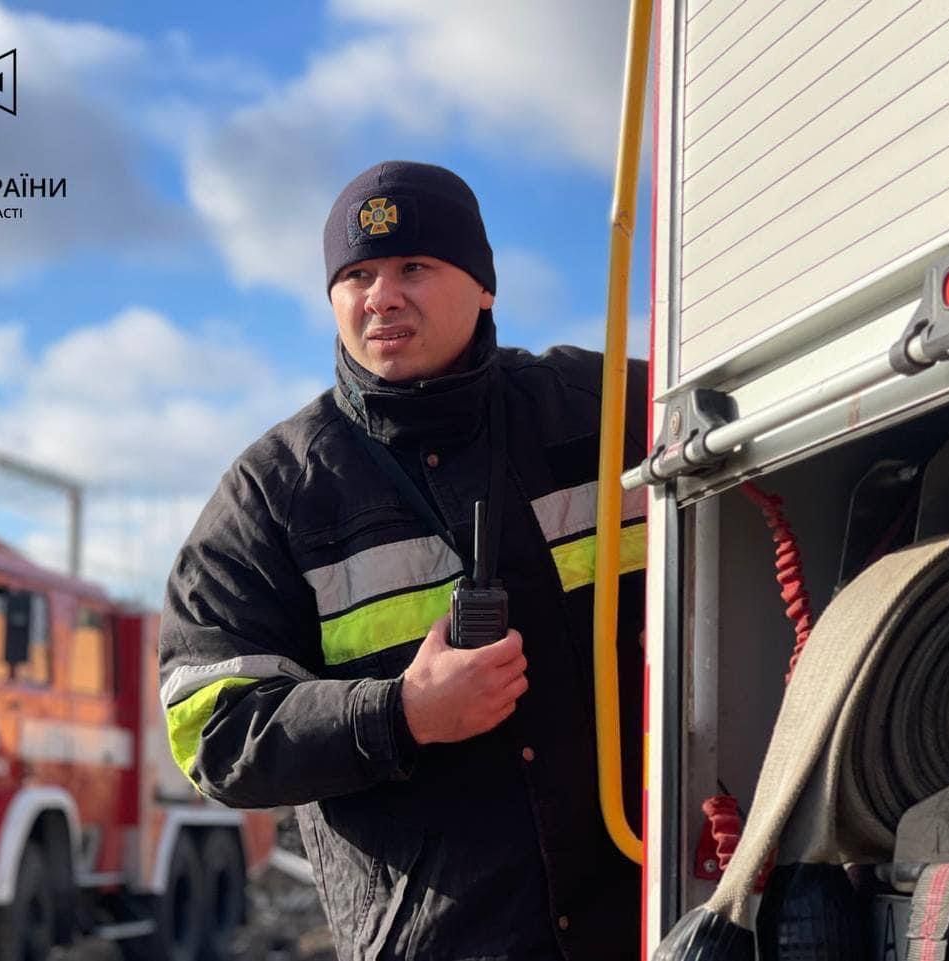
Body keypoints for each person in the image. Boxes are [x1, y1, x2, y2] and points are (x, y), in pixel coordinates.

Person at [160, 160, 649, 961]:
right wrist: (401, 713)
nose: (382, 297)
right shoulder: (272, 494)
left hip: (655, 923)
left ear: (484, 286)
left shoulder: (607, 412)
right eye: (357, 276)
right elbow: (210, 727)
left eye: (413, 266)